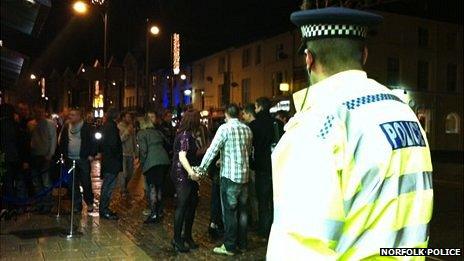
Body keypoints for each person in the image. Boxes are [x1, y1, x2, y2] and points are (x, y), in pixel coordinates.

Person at [267, 6, 433, 260]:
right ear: (364, 55)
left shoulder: (317, 125)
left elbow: (300, 248)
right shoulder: (405, 113)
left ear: (309, 59)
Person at [193, 104, 253, 256]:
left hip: (230, 177)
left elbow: (211, 150)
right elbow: (246, 151)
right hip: (244, 176)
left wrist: (201, 169)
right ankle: (243, 243)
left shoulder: (224, 129)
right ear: (239, 114)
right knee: (243, 212)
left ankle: (230, 246)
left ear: (226, 115)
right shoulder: (247, 129)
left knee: (230, 212)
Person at [170, 110, 202, 253]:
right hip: (182, 174)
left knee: (191, 204)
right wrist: (191, 173)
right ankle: (177, 239)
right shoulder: (185, 135)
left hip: (185, 173)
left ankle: (186, 236)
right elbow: (182, 157)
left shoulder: (186, 135)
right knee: (183, 206)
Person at [253, 97, 283, 239]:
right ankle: (275, 228)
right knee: (275, 201)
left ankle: (264, 230)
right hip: (277, 168)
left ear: (259, 107)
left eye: (256, 106)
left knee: (263, 201)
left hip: (261, 168)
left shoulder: (254, 125)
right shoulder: (277, 124)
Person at [58, 107, 97, 214]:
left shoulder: (86, 127)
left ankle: (89, 202)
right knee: (73, 183)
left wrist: (91, 154)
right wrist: (63, 154)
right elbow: (63, 141)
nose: (71, 117)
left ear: (79, 116)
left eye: (73, 115)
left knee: (86, 182)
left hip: (83, 158)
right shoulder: (67, 127)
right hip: (70, 159)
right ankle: (77, 204)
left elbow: (93, 141)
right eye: (70, 115)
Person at [137, 113, 170, 223]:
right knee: (159, 187)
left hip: (152, 163)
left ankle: (153, 214)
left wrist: (142, 165)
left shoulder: (142, 134)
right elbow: (167, 144)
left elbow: (144, 151)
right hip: (164, 161)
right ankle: (159, 211)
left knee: (152, 188)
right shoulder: (157, 132)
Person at [29, 106, 57, 214]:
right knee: (37, 181)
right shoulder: (32, 124)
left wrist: (50, 154)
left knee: (45, 180)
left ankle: (47, 203)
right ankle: (40, 203)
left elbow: (53, 138)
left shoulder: (49, 124)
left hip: (45, 155)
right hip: (35, 155)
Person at [99, 108, 123, 220]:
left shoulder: (106, 126)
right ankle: (104, 209)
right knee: (108, 186)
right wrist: (117, 156)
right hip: (112, 161)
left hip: (108, 160)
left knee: (107, 185)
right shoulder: (112, 127)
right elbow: (114, 145)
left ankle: (104, 208)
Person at [0, 104, 22, 216]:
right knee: (11, 182)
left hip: (3, 158)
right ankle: (12, 205)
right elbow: (20, 142)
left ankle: (5, 206)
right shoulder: (15, 125)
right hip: (14, 158)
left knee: (6, 183)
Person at [241, 104, 259, 231]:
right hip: (261, 164)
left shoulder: (249, 128)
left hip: (251, 165)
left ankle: (254, 220)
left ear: (249, 113)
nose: (243, 116)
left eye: (244, 114)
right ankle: (257, 219)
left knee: (251, 195)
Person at [118, 111, 136, 198]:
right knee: (123, 173)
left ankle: (125, 186)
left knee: (130, 173)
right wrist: (127, 133)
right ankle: (123, 189)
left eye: (130, 117)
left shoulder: (131, 127)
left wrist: (135, 152)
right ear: (123, 117)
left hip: (130, 153)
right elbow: (119, 140)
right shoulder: (119, 127)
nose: (129, 119)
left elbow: (134, 140)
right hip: (122, 153)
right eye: (127, 117)